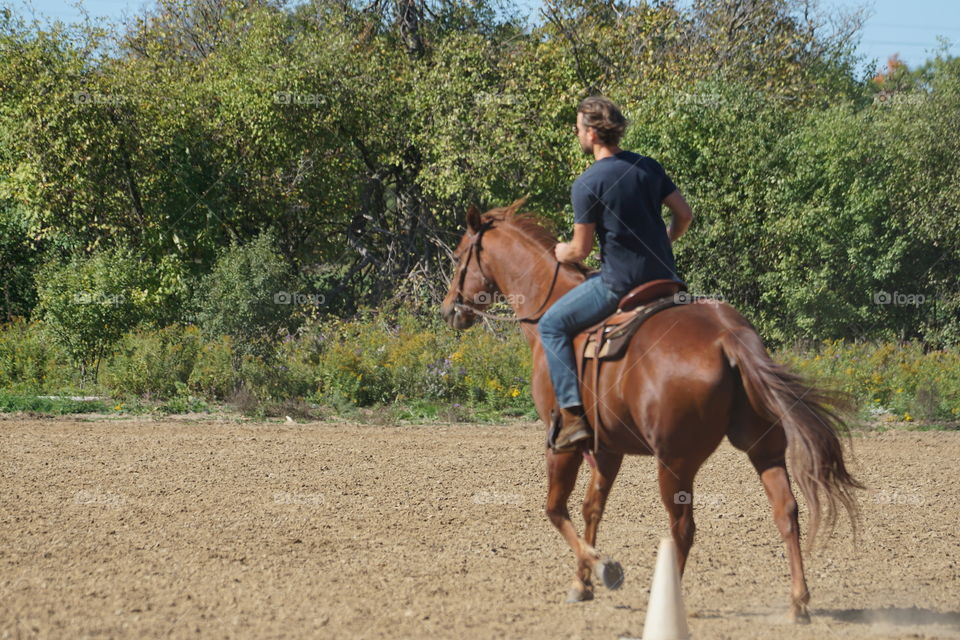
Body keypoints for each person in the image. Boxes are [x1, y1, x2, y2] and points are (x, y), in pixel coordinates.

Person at [539, 96, 694, 451]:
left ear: (592, 133)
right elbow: (684, 215)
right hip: (666, 279)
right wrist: (665, 243)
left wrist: (562, 251)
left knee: (551, 324)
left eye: (578, 128)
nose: (576, 133)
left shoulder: (587, 183)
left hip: (619, 284)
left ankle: (573, 417)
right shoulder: (648, 167)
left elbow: (581, 250)